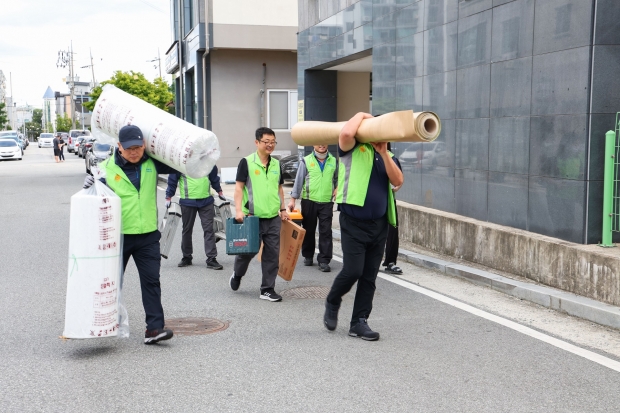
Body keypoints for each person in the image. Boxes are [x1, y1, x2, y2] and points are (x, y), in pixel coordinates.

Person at [82, 125, 178, 345]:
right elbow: (94, 200)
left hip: (148, 236)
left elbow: (181, 165)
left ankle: (154, 329)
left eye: (138, 147)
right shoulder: (105, 168)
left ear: (144, 146)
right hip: (118, 237)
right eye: (129, 148)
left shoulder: (152, 163)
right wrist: (89, 185)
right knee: (112, 283)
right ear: (119, 147)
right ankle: (103, 323)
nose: (134, 152)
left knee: (152, 281)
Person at [323, 112, 403, 341]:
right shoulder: (351, 148)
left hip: (379, 225)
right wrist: (362, 114)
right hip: (353, 222)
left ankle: (359, 322)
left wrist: (384, 153)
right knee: (353, 270)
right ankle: (333, 299)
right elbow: (347, 132)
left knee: (369, 276)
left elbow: (398, 181)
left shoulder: (388, 155)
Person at [229, 127, 290, 302]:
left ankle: (267, 289)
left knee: (272, 254)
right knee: (248, 252)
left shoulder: (277, 164)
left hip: (272, 217)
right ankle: (237, 274)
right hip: (252, 217)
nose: (270, 145)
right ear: (257, 142)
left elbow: (279, 188)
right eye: (266, 142)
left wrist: (283, 209)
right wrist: (239, 210)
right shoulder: (246, 162)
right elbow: (239, 188)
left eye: (273, 142)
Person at [287, 144, 338, 272]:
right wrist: (293, 199)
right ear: (313, 144)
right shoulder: (306, 160)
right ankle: (308, 255)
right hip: (309, 200)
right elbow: (299, 181)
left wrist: (337, 188)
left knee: (326, 231)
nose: (321, 145)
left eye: (324, 142)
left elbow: (338, 179)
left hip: (326, 201)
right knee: (308, 229)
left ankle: (324, 260)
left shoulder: (333, 161)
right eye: (318, 142)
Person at [165, 166, 225, 271]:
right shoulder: (181, 163)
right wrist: (168, 196)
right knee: (187, 230)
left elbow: (214, 177)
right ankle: (187, 257)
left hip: (206, 201)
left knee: (209, 230)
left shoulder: (207, 162)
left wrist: (219, 191)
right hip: (188, 202)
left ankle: (211, 259)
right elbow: (172, 179)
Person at [382, 142, 402, 275]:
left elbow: (398, 181)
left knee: (392, 230)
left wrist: (397, 185)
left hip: (388, 200)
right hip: (370, 201)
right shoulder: (366, 156)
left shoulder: (392, 158)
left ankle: (390, 262)